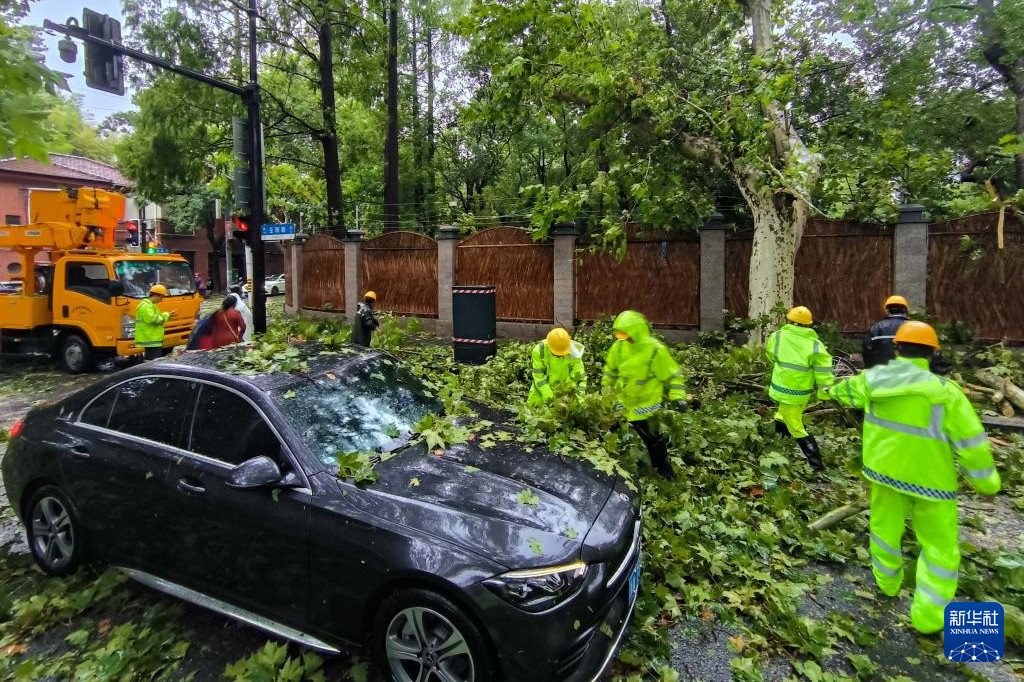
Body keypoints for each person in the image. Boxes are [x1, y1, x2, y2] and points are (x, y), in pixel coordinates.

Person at [820, 321, 1000, 634]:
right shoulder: (947, 394)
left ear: (897, 348)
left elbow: (843, 392)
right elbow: (973, 446)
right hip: (933, 484)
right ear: (933, 353)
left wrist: (827, 389)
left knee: (884, 531)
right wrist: (987, 485)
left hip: (884, 474)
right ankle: (929, 618)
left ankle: (887, 584)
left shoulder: (873, 380)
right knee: (939, 548)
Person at [601, 311, 686, 479]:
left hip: (645, 407)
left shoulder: (655, 350)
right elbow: (610, 372)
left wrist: (678, 396)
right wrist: (605, 393)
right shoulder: (619, 347)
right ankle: (608, 464)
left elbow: (672, 374)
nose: (624, 337)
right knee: (607, 435)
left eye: (626, 333)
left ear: (636, 331)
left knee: (654, 441)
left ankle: (663, 469)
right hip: (621, 405)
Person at [765, 306, 834, 471]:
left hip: (781, 388)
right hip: (801, 392)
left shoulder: (778, 336)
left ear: (790, 320)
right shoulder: (815, 345)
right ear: (808, 325)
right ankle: (784, 447)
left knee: (796, 426)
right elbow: (823, 370)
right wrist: (824, 392)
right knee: (782, 415)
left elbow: (770, 355)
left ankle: (816, 465)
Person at [527, 327, 587, 407]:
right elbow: (539, 378)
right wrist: (550, 398)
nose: (559, 357)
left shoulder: (574, 353)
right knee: (532, 413)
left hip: (566, 393)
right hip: (541, 391)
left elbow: (580, 379)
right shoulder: (539, 351)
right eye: (556, 354)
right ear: (549, 345)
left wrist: (579, 400)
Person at [862, 295, 909, 368]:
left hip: (882, 374)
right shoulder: (915, 328)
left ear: (887, 311)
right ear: (906, 310)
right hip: (910, 375)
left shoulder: (876, 328)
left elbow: (867, 353)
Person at [135, 284, 175, 360]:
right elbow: (153, 319)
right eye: (161, 297)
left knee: (151, 360)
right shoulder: (146, 306)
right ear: (156, 295)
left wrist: (167, 315)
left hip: (152, 338)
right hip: (151, 339)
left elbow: (154, 317)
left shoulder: (149, 305)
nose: (161, 300)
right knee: (153, 361)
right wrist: (167, 315)